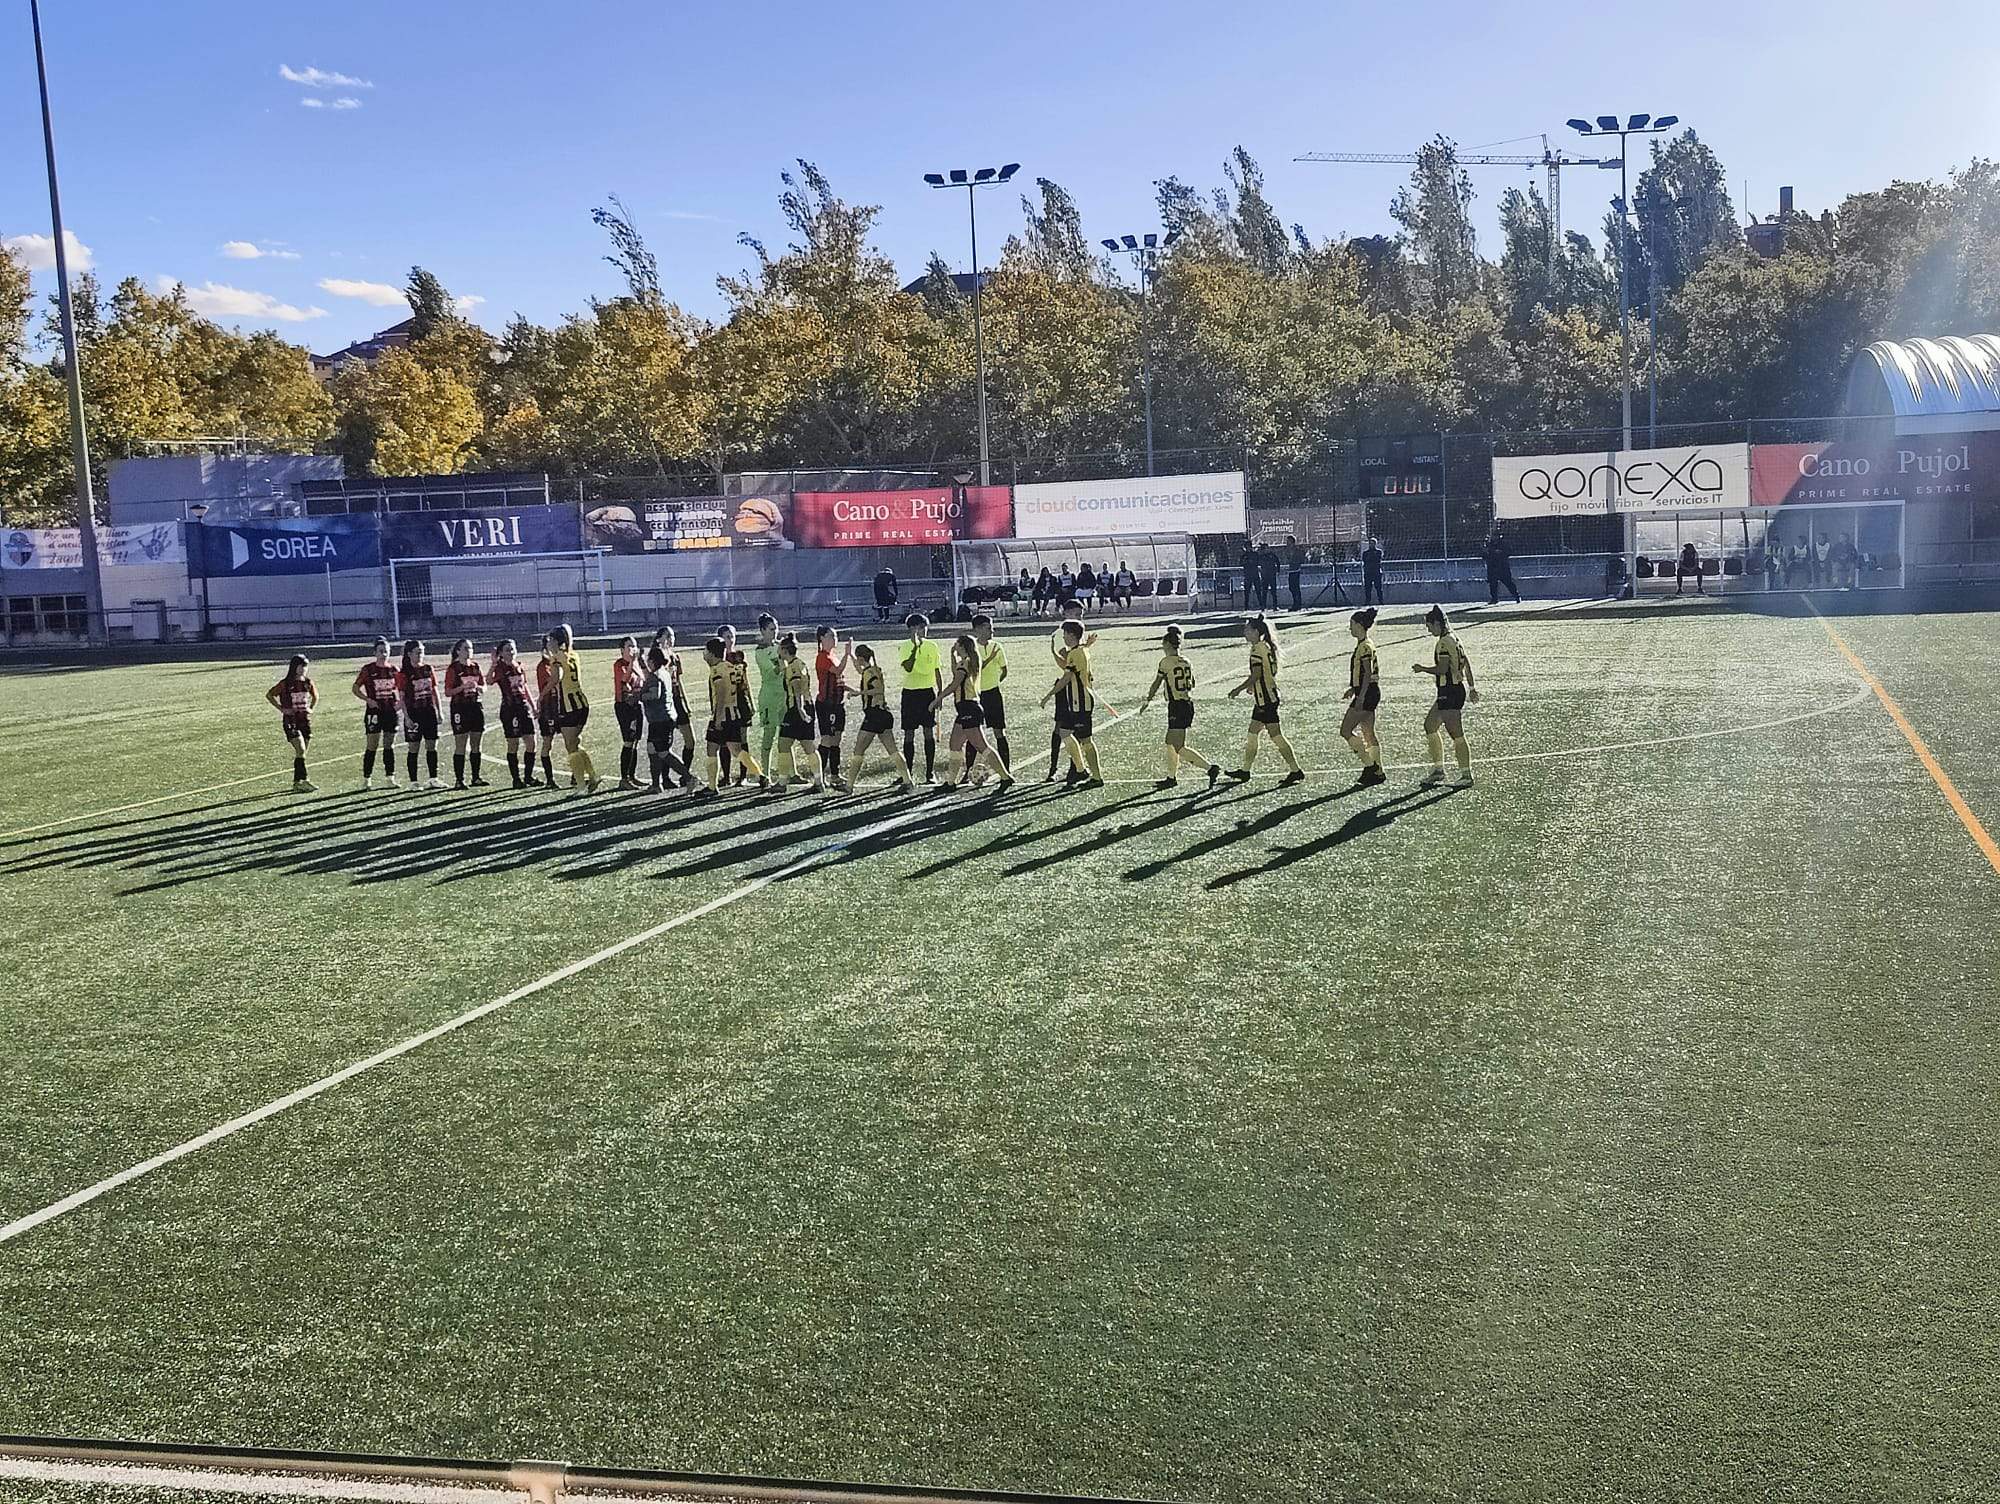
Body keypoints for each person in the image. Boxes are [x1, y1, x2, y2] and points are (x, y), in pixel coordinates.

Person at [1137, 624, 1220, 790]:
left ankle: (1210, 768)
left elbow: (1156, 683)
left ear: (1167, 643)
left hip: (1178, 706)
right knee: (1169, 742)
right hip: (1186, 703)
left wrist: (1148, 700)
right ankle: (1171, 777)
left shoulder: (1165, 662)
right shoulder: (1186, 661)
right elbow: (1192, 683)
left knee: (1178, 746)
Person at [1226, 616, 1305, 785]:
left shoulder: (1257, 649)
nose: (1244, 632)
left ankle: (1295, 770)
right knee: (1253, 733)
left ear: (1256, 632)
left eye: (1247, 629)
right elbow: (1268, 672)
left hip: (1266, 700)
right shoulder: (1266, 646)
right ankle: (1246, 771)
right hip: (1266, 696)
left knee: (1275, 735)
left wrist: (1238, 689)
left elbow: (1256, 674)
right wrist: (1254, 687)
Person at [1413, 603, 1477, 789]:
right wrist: (1472, 687)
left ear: (1437, 624)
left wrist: (1422, 668)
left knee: (1456, 733)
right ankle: (1438, 770)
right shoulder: (1454, 639)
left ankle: (1466, 774)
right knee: (1430, 725)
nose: (1428, 629)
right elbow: (1467, 664)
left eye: (1429, 625)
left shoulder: (1443, 642)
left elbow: (1442, 669)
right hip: (1451, 691)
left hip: (1450, 691)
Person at [1041, 619, 1104, 787]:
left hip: (1081, 702)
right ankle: (1081, 769)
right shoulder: (1079, 650)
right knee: (1065, 732)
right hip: (1074, 701)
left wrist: (1049, 695)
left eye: (1065, 634)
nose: (1064, 638)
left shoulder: (1076, 653)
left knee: (1086, 740)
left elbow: (1066, 677)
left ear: (1071, 634)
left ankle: (1097, 777)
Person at [946, 634, 1012, 789]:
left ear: (961, 646)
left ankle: (1005, 777)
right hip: (965, 709)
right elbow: (956, 673)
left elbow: (955, 683)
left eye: (956, 644)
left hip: (969, 708)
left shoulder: (967, 663)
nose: (954, 646)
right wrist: (951, 656)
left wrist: (937, 699)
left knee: (982, 746)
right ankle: (950, 782)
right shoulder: (967, 662)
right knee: (954, 744)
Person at [848, 643, 915, 792]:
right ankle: (907, 781)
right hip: (883, 714)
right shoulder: (873, 669)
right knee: (893, 750)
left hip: (875, 715)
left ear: (861, 658)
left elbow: (878, 689)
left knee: (858, 750)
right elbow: (861, 671)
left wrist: (859, 693)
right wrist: (850, 655)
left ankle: (849, 785)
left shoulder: (870, 673)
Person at [700, 635, 760, 793]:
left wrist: (718, 719)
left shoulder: (718, 670)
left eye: (705, 651)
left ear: (712, 653)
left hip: (723, 716)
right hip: (734, 714)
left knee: (711, 749)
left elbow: (721, 694)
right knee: (736, 750)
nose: (704, 654)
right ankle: (761, 776)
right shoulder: (729, 666)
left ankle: (712, 787)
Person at [547, 623, 602, 793]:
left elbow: (556, 679)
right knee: (574, 743)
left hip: (568, 706)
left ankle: (580, 783)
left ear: (556, 641)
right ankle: (592, 776)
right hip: (582, 704)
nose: (548, 643)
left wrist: (542, 695)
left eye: (551, 640)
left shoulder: (556, 658)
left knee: (570, 745)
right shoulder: (574, 655)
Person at [1046, 599, 1095, 782]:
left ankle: (1075, 768)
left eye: (1080, 615)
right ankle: (1054, 768)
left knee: (1074, 731)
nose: (1079, 618)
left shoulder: (1077, 638)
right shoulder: (1063, 636)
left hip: (1076, 689)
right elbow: (1066, 664)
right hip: (1065, 688)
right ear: (1066, 613)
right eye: (1076, 614)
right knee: (1060, 728)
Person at [770, 631, 823, 794]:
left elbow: (797, 686)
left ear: (785, 650)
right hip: (802, 707)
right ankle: (818, 782)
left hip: (797, 709)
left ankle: (783, 782)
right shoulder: (796, 663)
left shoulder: (794, 667)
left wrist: (799, 709)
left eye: (780, 649)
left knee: (787, 744)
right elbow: (778, 670)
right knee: (805, 746)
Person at [1340, 608, 1386, 787]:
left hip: (1367, 694)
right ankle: (1378, 771)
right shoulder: (1365, 644)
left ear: (1359, 625)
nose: (1350, 628)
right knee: (1368, 733)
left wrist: (1360, 696)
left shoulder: (1364, 646)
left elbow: (1367, 674)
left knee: (1345, 730)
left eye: (1351, 625)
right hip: (1370, 692)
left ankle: (1370, 765)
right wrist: (1353, 688)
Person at [898, 612, 944, 784]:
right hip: (910, 693)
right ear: (912, 629)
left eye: (925, 627)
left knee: (928, 732)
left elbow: (937, 670)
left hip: (927, 693)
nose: (924, 630)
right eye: (921, 627)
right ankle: (907, 772)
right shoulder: (904, 646)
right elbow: (908, 668)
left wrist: (940, 694)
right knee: (909, 734)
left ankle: (929, 772)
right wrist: (915, 648)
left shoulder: (932, 646)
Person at [639, 645, 691, 794]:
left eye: (649, 659)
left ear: (653, 660)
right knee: (651, 749)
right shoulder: (664, 673)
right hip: (661, 718)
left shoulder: (656, 676)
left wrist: (639, 697)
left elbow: (655, 694)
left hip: (661, 719)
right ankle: (656, 784)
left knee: (663, 753)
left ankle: (689, 778)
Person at [490, 639, 542, 788]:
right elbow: (488, 681)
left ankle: (528, 777)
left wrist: (533, 707)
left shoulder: (519, 666)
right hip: (509, 709)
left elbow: (525, 688)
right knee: (513, 743)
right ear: (501, 653)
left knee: (531, 743)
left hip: (523, 707)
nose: (511, 652)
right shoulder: (500, 668)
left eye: (512, 649)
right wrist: (493, 664)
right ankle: (516, 779)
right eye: (507, 650)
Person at [352, 636, 402, 788]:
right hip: (374, 712)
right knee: (372, 745)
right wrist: (368, 700)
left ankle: (390, 777)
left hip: (390, 712)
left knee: (389, 744)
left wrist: (399, 704)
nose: (384, 654)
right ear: (375, 652)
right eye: (381, 651)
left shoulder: (394, 670)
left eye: (386, 651)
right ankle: (367, 779)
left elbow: (403, 689)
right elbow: (355, 688)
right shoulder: (368, 670)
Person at [266, 653, 317, 792]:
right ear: (294, 667)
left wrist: (310, 709)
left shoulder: (308, 683)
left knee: (302, 753)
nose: (303, 669)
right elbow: (269, 694)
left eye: (305, 666)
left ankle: (296, 783)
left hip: (304, 721)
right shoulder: (285, 684)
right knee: (300, 749)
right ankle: (305, 780)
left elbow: (315, 697)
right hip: (291, 721)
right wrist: (282, 709)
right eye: (300, 666)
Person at [398, 639, 445, 790]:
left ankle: (433, 778)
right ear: (409, 654)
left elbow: (434, 691)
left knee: (432, 745)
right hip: (414, 713)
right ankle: (413, 781)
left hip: (429, 711)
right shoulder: (404, 673)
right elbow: (402, 697)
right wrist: (407, 717)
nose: (420, 655)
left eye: (422, 652)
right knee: (414, 747)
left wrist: (440, 711)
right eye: (417, 652)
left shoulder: (428, 669)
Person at [443, 638, 489, 789]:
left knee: (476, 742)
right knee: (461, 743)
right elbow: (448, 692)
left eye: (470, 648)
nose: (469, 651)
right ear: (458, 651)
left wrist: (480, 688)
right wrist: (462, 687)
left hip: (475, 706)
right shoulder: (454, 669)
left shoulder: (475, 667)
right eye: (465, 648)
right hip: (460, 708)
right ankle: (459, 780)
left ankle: (476, 777)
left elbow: (484, 685)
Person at [750, 613, 788, 782]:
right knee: (769, 735)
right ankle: (764, 774)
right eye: (771, 629)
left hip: (784, 696)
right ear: (763, 630)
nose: (775, 632)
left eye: (776, 629)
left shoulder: (781, 646)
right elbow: (774, 671)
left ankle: (790, 773)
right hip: (769, 698)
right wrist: (782, 656)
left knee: (787, 734)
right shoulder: (760, 652)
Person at [814, 625, 852, 792]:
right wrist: (847, 655)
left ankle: (835, 774)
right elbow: (838, 670)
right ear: (822, 638)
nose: (834, 638)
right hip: (826, 704)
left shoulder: (832, 655)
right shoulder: (822, 657)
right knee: (827, 739)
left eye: (835, 636)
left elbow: (839, 678)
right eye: (831, 635)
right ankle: (819, 776)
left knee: (836, 739)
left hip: (838, 704)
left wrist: (851, 690)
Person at [972, 611, 1011, 771]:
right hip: (976, 696)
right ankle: (969, 769)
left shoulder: (997, 646)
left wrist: (993, 682)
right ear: (978, 629)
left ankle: (1005, 768)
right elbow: (975, 669)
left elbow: (1004, 670)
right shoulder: (971, 647)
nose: (992, 631)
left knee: (999, 731)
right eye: (988, 628)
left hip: (993, 693)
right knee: (973, 733)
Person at [612, 635, 647, 789]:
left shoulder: (637, 664)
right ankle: (624, 778)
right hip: (624, 707)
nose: (633, 649)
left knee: (635, 741)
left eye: (634, 646)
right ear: (622, 650)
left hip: (637, 705)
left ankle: (632, 776)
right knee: (628, 740)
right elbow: (624, 680)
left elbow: (644, 679)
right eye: (629, 646)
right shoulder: (620, 664)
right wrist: (633, 662)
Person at [533, 634, 562, 788]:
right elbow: (551, 682)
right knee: (547, 742)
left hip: (561, 705)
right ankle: (550, 779)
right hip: (549, 707)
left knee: (572, 739)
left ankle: (575, 775)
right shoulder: (543, 666)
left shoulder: (559, 662)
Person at [1483, 527, 1520, 605]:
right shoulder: (1489, 544)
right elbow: (1484, 555)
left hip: (1502, 567)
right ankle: (1494, 598)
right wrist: (1486, 552)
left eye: (1496, 536)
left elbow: (1509, 552)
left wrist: (1499, 552)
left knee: (1508, 582)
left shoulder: (1503, 543)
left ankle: (1516, 596)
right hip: (1492, 567)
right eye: (1493, 536)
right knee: (1492, 584)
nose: (1495, 537)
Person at [1361, 537, 1385, 607]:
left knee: (1379, 588)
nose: (1371, 545)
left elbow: (1377, 560)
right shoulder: (1365, 553)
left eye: (1373, 543)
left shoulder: (1378, 552)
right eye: (1370, 543)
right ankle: (1367, 601)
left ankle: (1381, 601)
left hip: (1376, 572)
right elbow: (1365, 561)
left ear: (1375, 544)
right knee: (1368, 588)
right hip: (1368, 572)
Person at [1285, 535, 1304, 612]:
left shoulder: (1297, 550)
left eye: (1288, 541)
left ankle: (1298, 604)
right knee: (1291, 587)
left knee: (1296, 587)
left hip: (1296, 570)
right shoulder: (1288, 550)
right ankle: (1295, 603)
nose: (1287, 543)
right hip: (1291, 570)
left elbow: (1301, 559)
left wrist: (1297, 564)